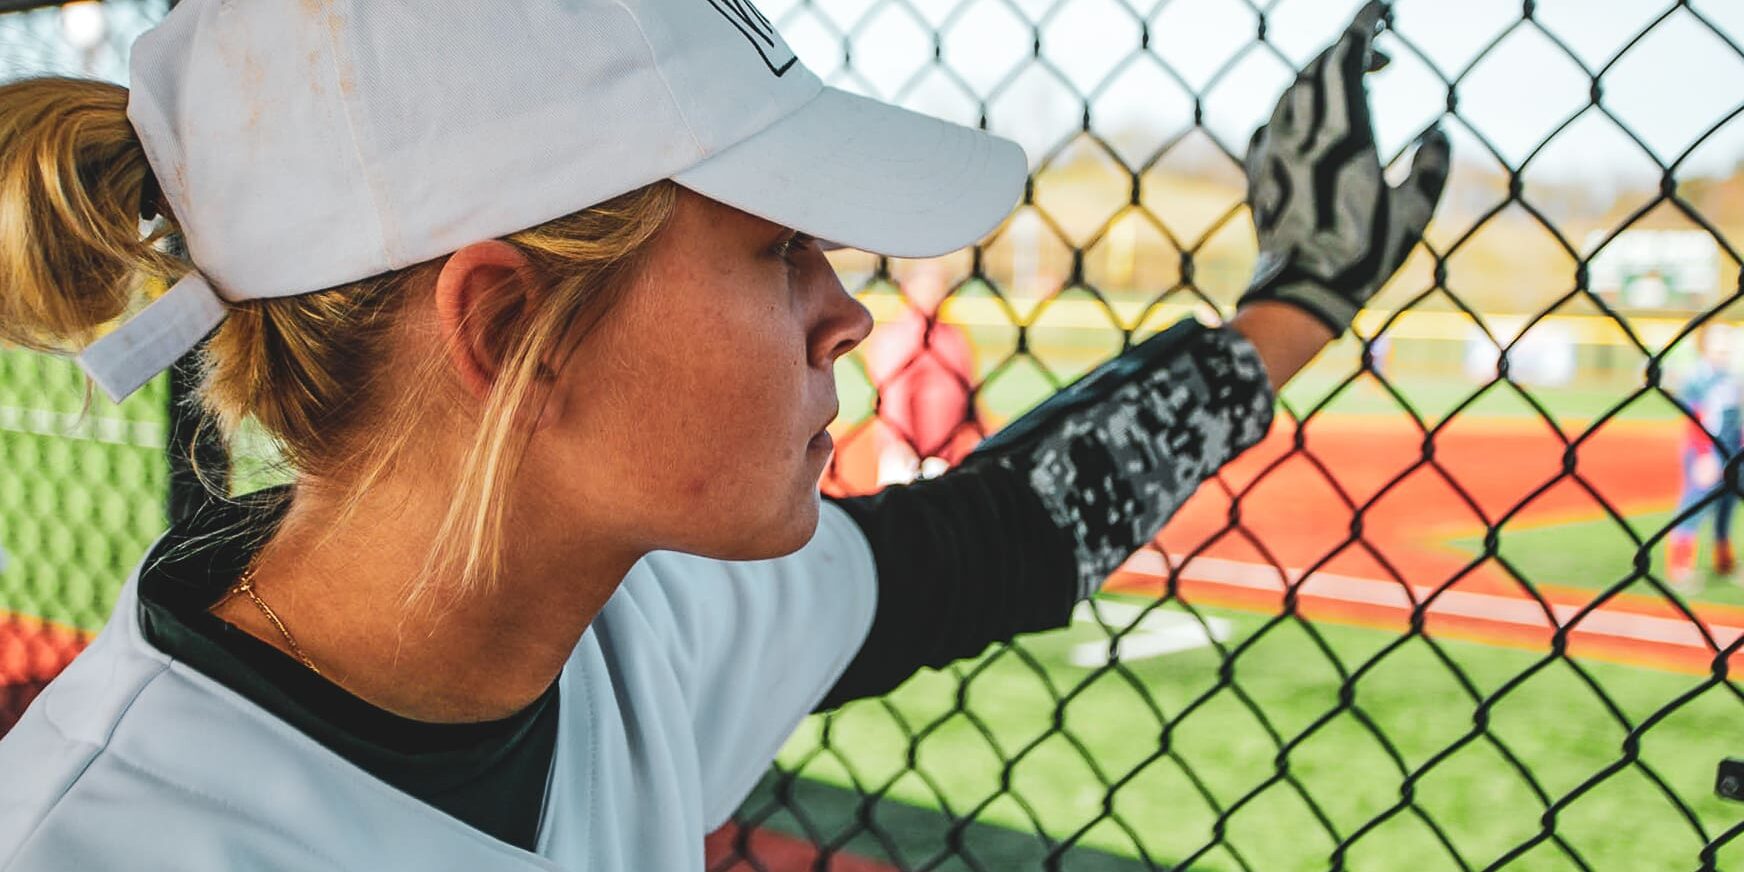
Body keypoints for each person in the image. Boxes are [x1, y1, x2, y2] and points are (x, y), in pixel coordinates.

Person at [0, 1, 1445, 869]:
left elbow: (984, 541)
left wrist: (1299, 302)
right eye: (780, 251)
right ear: (506, 330)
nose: (848, 316)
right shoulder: (108, 843)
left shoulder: (627, 636)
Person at [863, 261, 983, 486]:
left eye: (939, 286)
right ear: (908, 288)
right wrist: (900, 446)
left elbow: (970, 395)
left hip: (945, 453)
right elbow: (894, 399)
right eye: (927, 286)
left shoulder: (954, 338)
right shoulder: (896, 337)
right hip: (904, 454)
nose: (934, 294)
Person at [1668, 322, 1743, 593]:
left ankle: (1723, 560)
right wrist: (1704, 456)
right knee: (1695, 503)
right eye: (1718, 346)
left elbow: (1736, 420)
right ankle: (1680, 565)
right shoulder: (1697, 378)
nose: (1724, 351)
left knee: (1728, 504)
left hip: (1734, 451)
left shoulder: (1732, 377)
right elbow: (1695, 420)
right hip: (1708, 451)